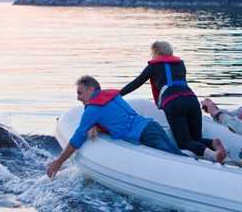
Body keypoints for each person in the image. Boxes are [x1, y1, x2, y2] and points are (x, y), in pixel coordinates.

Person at [47, 75, 184, 179]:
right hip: (152, 126)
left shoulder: (93, 110)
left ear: (90, 89)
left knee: (177, 162)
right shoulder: (112, 97)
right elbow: (117, 118)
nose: (78, 98)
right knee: (178, 155)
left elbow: (77, 138)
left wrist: (59, 162)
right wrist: (98, 127)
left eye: (80, 93)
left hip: (145, 134)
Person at [120, 41, 227, 162]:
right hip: (192, 100)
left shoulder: (153, 67)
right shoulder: (180, 64)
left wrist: (117, 94)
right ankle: (213, 143)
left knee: (184, 143)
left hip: (174, 103)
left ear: (156, 52)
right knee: (196, 139)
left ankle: (212, 155)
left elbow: (136, 83)